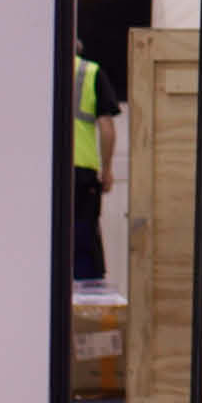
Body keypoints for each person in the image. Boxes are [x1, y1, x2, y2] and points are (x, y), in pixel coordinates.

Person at [73, 42, 122, 284]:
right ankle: (82, 310)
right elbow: (106, 126)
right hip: (81, 170)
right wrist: (107, 168)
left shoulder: (35, 71)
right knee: (83, 237)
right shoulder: (90, 72)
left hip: (42, 171)